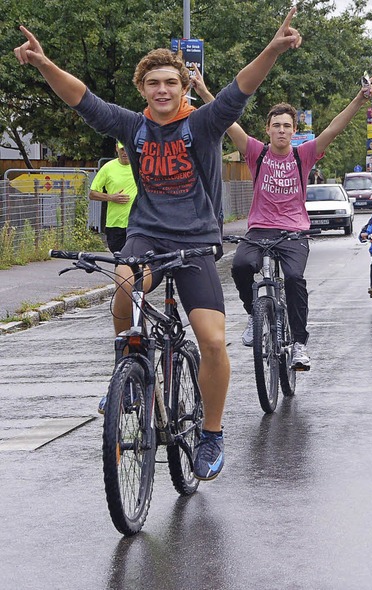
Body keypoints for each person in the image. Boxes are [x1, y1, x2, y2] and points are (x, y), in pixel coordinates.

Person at [14, 8, 302, 481]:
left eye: (170, 81)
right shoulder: (133, 128)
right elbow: (81, 99)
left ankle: (211, 432)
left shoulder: (204, 124)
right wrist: (45, 64)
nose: (162, 90)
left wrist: (271, 48)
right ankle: (126, 371)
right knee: (123, 283)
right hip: (147, 236)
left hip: (194, 242)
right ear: (142, 89)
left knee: (211, 340)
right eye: (153, 83)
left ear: (184, 87)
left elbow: (242, 87)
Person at [194, 73, 372, 370]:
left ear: (294, 131)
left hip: (294, 231)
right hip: (259, 228)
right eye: (276, 125)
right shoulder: (256, 152)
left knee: (293, 279)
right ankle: (254, 313)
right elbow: (226, 120)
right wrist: (202, 89)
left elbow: (334, 128)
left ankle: (300, 344)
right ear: (268, 130)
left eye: (286, 126)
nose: (281, 130)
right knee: (240, 266)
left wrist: (359, 99)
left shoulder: (304, 155)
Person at [89, 140, 136, 253]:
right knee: (120, 261)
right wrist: (111, 197)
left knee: (136, 260)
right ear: (116, 148)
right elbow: (92, 194)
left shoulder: (140, 166)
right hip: (115, 224)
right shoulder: (108, 168)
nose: (125, 152)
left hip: (137, 223)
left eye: (128, 149)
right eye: (122, 149)